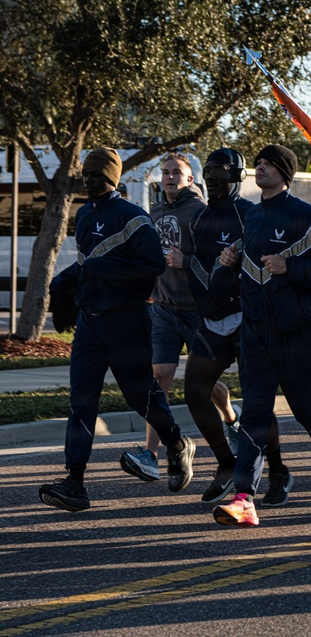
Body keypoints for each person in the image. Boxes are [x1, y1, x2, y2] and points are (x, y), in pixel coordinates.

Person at [39, 148, 195, 511]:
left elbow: (153, 265)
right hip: (90, 324)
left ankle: (176, 443)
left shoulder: (133, 217)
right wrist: (64, 283)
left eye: (95, 175)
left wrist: (100, 272)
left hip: (127, 323)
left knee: (140, 397)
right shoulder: (83, 214)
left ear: (111, 178)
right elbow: (87, 265)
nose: (88, 179)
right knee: (81, 401)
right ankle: (75, 483)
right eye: (86, 174)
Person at [212, 144, 311, 527]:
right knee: (255, 413)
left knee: (307, 409)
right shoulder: (252, 216)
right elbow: (250, 264)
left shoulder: (308, 215)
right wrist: (231, 261)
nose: (260, 169)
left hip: (297, 331)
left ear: (284, 173)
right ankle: (244, 498)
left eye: (268, 164)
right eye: (257, 164)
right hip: (255, 330)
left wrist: (291, 266)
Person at [183, 148, 292, 506]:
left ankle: (277, 471)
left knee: (258, 403)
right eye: (208, 170)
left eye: (220, 170)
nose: (212, 176)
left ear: (237, 176)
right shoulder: (198, 219)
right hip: (212, 323)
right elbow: (195, 268)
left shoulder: (251, 215)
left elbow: (268, 267)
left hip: (249, 322)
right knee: (195, 390)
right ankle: (226, 464)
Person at [119, 152, 237, 483]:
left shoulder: (201, 212)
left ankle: (230, 416)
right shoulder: (154, 212)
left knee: (206, 383)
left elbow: (217, 257)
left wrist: (187, 260)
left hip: (198, 310)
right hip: (163, 308)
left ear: (190, 179)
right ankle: (153, 454)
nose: (170, 177)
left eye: (177, 173)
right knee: (161, 375)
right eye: (166, 172)